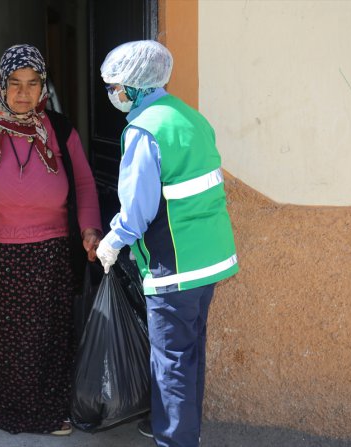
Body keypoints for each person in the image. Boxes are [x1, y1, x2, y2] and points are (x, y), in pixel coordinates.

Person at [0, 44, 102, 435]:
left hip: (50, 252)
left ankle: (46, 413)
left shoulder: (58, 129)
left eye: (32, 83)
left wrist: (90, 229)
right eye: (14, 83)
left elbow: (82, 181)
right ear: (1, 83)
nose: (23, 92)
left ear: (42, 86)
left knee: (46, 340)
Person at [95, 40, 239, 447]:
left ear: (136, 86)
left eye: (116, 86)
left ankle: (175, 441)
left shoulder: (143, 130)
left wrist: (113, 241)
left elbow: (137, 211)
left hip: (176, 266)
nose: (113, 94)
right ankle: (186, 435)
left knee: (171, 364)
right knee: (189, 355)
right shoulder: (191, 117)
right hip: (210, 259)